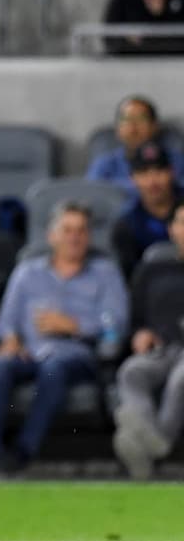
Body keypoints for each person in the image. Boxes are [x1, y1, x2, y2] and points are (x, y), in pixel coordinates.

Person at [0, 202, 128, 483]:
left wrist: (74, 327)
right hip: (28, 351)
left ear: (89, 237)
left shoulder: (105, 273)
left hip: (77, 355)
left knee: (53, 367)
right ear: (51, 236)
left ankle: (23, 453)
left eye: (81, 231)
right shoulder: (27, 272)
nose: (74, 237)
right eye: (67, 230)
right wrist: (10, 339)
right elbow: (6, 320)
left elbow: (115, 326)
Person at [112, 200, 184, 480]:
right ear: (172, 231)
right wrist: (139, 334)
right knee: (131, 371)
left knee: (182, 377)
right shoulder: (152, 269)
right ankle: (148, 434)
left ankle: (155, 441)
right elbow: (135, 319)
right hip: (161, 349)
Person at [111, 142, 184, 278]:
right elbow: (131, 280)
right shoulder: (127, 224)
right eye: (144, 172)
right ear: (132, 178)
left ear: (172, 172)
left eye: (159, 171)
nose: (153, 181)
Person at [87, 95, 184, 194]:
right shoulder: (104, 164)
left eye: (141, 119)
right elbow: (91, 196)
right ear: (117, 129)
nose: (133, 127)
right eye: (126, 119)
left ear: (155, 126)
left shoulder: (175, 160)